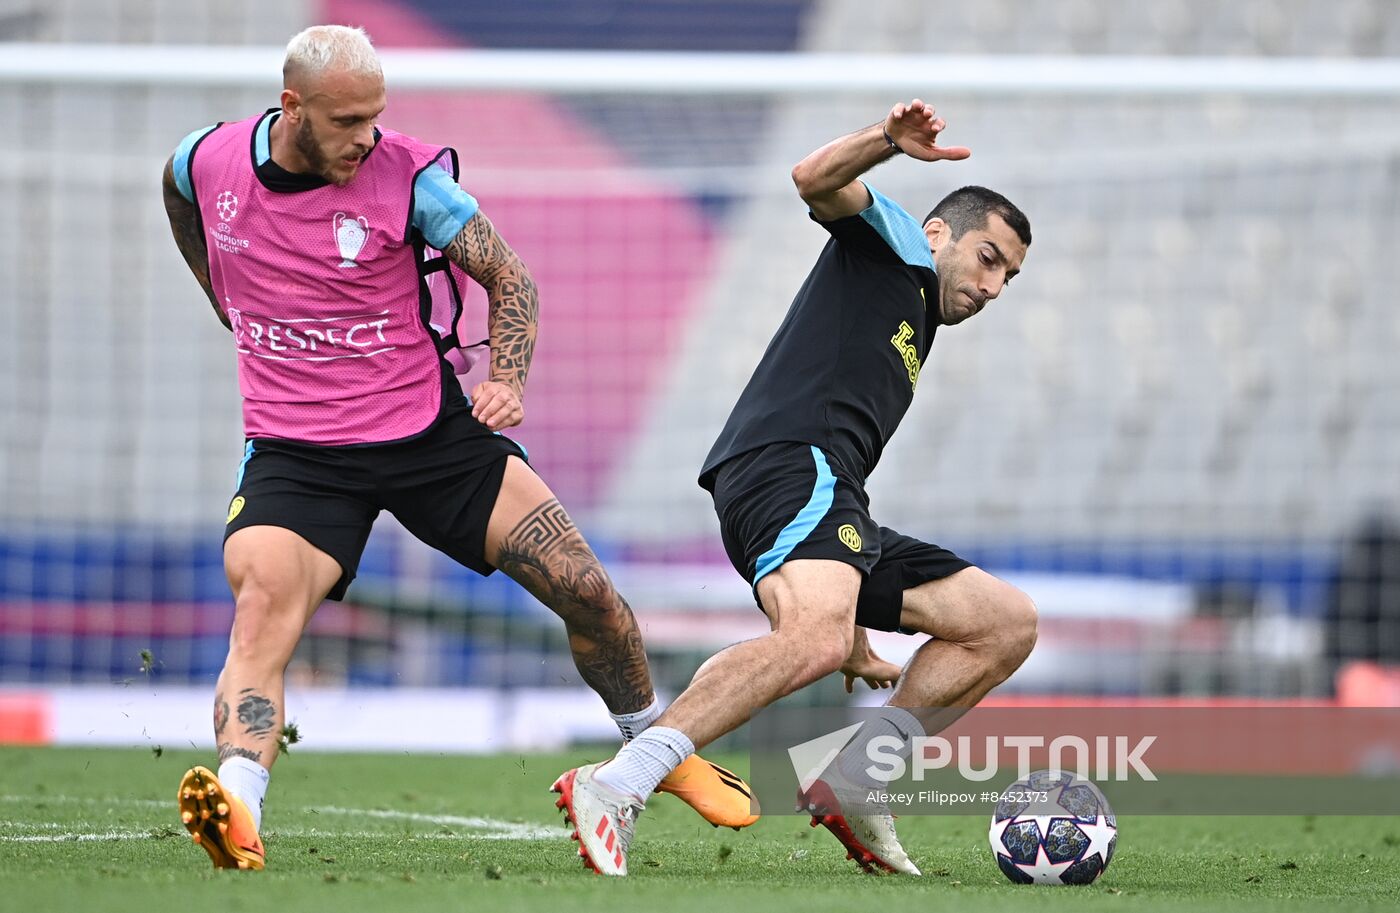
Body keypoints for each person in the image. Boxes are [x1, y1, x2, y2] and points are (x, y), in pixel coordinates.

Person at [162, 25, 755, 872]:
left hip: (428, 435)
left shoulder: (410, 178)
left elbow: (511, 277)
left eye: (376, 116)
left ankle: (658, 749)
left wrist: (507, 377)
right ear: (291, 108)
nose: (367, 136)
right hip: (298, 450)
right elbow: (176, 189)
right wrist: (220, 288)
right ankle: (239, 812)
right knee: (259, 616)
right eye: (347, 121)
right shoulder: (208, 161)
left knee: (586, 590)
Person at [551, 100, 1038, 876]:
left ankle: (857, 777)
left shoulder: (914, 314)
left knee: (1001, 622)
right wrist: (886, 141)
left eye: (1009, 275)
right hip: (786, 464)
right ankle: (620, 782)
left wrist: (848, 623)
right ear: (941, 233)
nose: (995, 285)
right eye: (988, 258)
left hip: (827, 487)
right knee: (810, 637)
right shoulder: (901, 246)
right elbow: (813, 179)